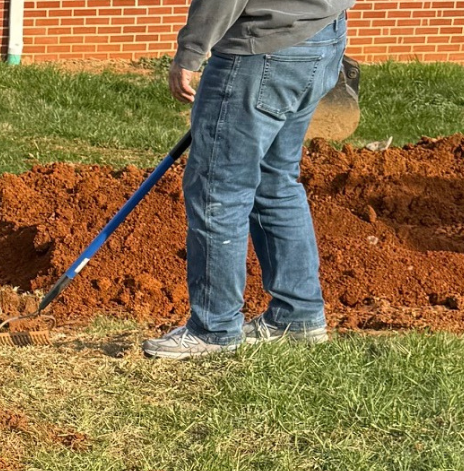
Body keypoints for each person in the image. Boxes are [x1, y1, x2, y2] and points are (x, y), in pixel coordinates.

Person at [142, 0, 352, 359]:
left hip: (264, 48)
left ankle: (214, 329)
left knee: (217, 189)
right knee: (276, 181)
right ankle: (298, 317)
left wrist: (191, 51)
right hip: (322, 34)